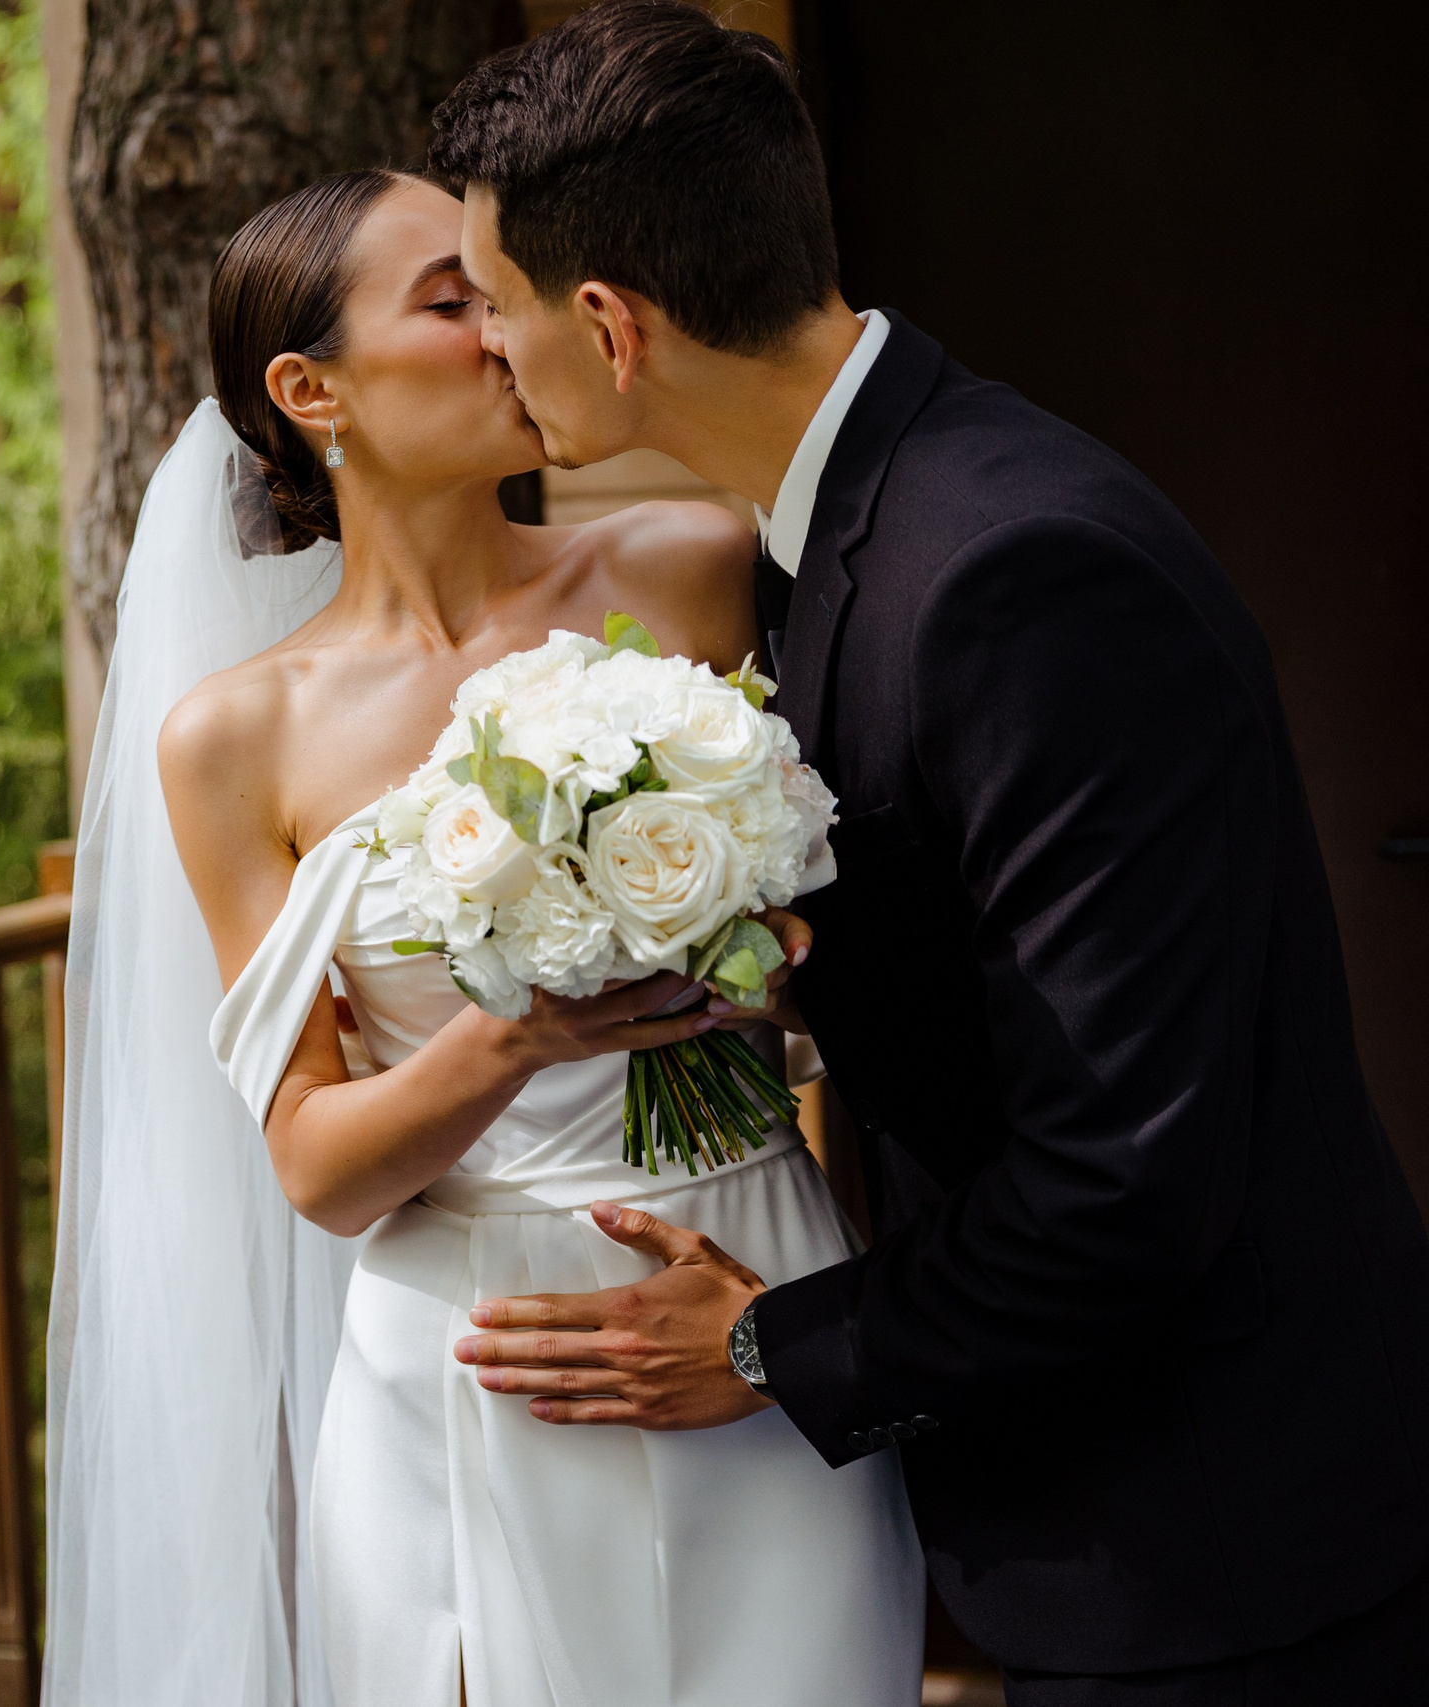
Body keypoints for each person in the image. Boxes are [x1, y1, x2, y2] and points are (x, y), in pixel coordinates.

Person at [430, 5, 1429, 1704]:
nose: (487, 351)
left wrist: (772, 1346)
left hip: (1219, 1543)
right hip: (1084, 1505)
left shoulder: (1011, 572)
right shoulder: (847, 523)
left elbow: (1127, 1173)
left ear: (607, 323)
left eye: (492, 302)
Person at [43, 166, 920, 1707]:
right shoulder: (235, 739)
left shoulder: (692, 561)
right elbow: (319, 1169)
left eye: (502, 292)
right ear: (311, 390)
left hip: (743, 1271)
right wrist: (516, 1035)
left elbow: (838, 924)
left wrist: (764, 970)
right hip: (465, 1356)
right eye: (452, 301)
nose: (509, 330)